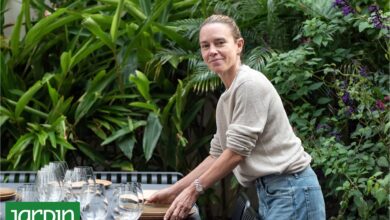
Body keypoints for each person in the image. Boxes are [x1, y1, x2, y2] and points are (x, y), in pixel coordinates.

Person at [146, 14, 326, 220]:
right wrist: (174, 191)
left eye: (220, 43)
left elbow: (236, 153)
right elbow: (218, 153)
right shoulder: (228, 96)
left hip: (292, 190)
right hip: (276, 191)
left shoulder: (249, 84)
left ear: (239, 45)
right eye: (205, 46)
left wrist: (194, 190)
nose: (212, 51)